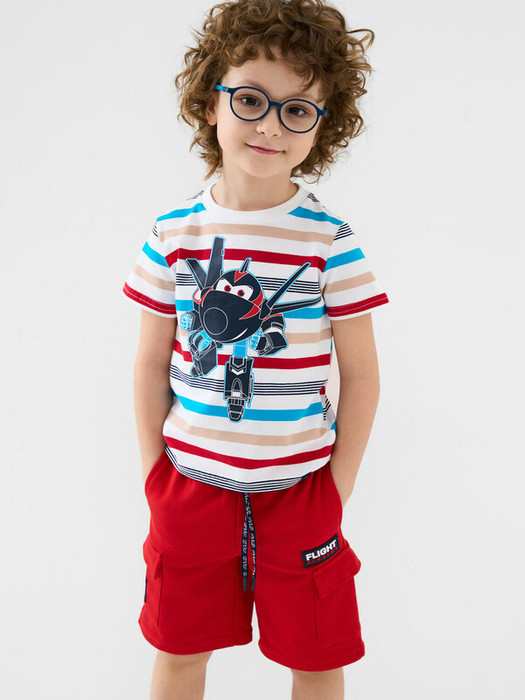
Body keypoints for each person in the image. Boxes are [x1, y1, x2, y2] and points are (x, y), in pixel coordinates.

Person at [121, 0, 390, 697]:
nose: (270, 125)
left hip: (300, 495)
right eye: (249, 100)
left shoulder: (329, 242)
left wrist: (335, 490)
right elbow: (149, 364)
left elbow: (362, 377)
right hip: (189, 490)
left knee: (317, 657)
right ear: (210, 102)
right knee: (180, 653)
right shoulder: (171, 235)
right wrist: (155, 478)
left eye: (297, 110)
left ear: (322, 127)